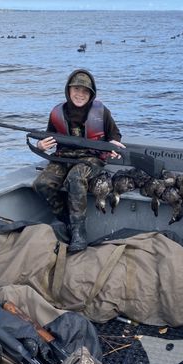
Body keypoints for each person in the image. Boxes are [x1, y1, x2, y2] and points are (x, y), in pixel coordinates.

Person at [33, 69, 124, 252]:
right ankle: (66, 220)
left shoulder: (102, 112)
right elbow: (47, 138)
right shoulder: (57, 112)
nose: (80, 94)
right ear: (68, 90)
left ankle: (79, 234)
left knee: (75, 178)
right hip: (63, 157)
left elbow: (115, 136)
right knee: (42, 184)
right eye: (76, 89)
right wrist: (40, 145)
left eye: (85, 91)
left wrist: (114, 145)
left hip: (92, 158)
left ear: (91, 94)